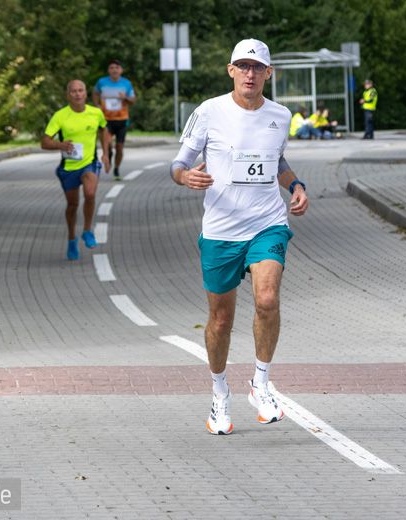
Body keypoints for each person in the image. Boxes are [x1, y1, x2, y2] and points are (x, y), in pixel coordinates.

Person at [170, 38, 309, 435]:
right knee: (221, 319)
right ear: (230, 70)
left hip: (267, 223)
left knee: (267, 299)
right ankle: (219, 393)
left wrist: (295, 184)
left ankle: (261, 383)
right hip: (221, 231)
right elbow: (178, 163)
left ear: (269, 73)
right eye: (243, 66)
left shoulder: (280, 116)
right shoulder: (209, 112)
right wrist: (185, 176)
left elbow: (277, 160)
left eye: (257, 67)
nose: (250, 73)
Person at [41, 80, 110, 261]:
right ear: (68, 95)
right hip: (69, 167)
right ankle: (72, 238)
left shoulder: (96, 113)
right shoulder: (60, 116)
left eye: (81, 90)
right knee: (72, 205)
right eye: (74, 91)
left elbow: (104, 130)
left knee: (90, 193)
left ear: (86, 93)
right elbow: (45, 141)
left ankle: (87, 231)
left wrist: (106, 154)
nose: (78, 94)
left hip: (89, 163)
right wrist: (60, 144)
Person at [92, 59, 136, 180]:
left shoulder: (126, 83)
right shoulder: (102, 82)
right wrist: (97, 106)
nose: (114, 70)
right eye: (111, 68)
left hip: (121, 119)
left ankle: (116, 168)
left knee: (119, 147)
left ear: (121, 70)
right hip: (106, 119)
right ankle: (108, 155)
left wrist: (125, 97)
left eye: (117, 68)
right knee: (108, 144)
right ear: (108, 70)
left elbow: (133, 100)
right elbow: (95, 93)